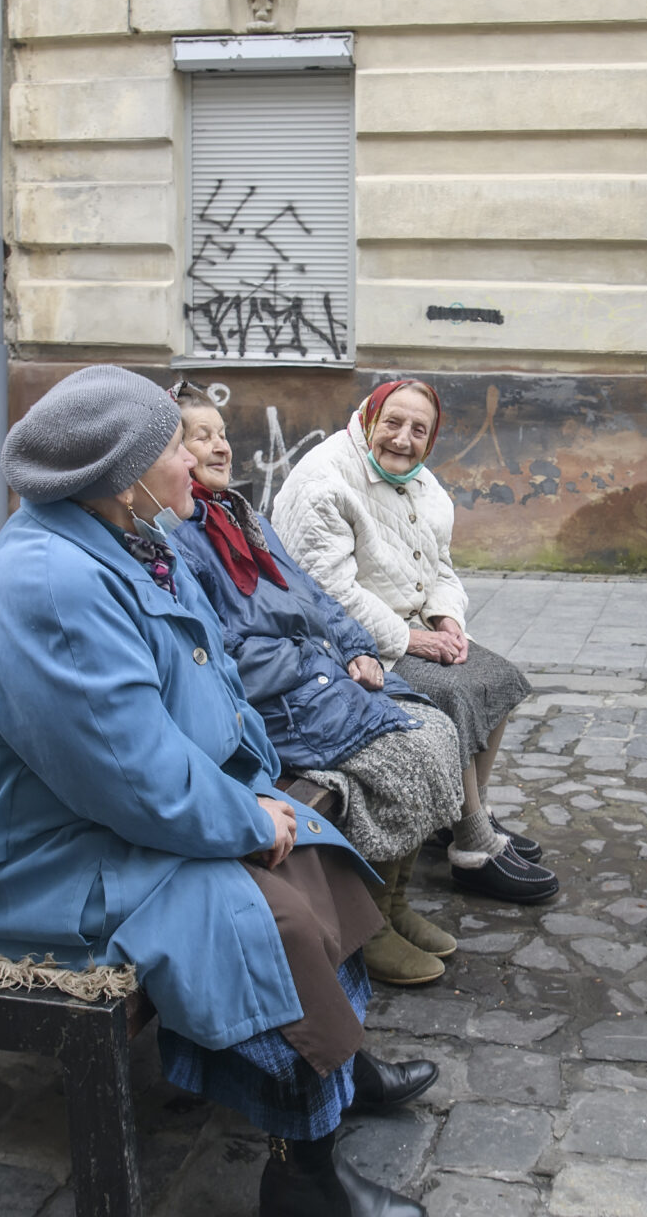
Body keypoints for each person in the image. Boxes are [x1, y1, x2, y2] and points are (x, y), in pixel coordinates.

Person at [0, 365, 433, 1217]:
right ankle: (304, 1175)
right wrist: (238, 814)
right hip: (37, 863)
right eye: (173, 450)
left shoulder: (127, 542)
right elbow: (126, 771)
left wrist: (257, 796)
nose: (194, 464)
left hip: (100, 822)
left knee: (310, 854)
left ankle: (338, 1071)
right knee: (267, 919)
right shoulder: (49, 585)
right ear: (123, 479)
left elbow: (203, 700)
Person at [165, 384, 466, 988]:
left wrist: (354, 644)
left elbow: (310, 593)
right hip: (275, 704)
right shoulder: (177, 538)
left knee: (436, 726)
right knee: (405, 755)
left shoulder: (236, 515)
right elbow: (223, 655)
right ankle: (372, 928)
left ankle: (396, 905)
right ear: (167, 451)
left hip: (315, 677)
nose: (222, 447)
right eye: (202, 437)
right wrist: (318, 662)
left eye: (223, 434)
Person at [272, 380, 559, 905]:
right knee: (451, 693)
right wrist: (411, 638)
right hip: (342, 644)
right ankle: (473, 847)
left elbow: (441, 567)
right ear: (369, 419)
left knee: (493, 676)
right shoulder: (325, 479)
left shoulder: (423, 483)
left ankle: (467, 815)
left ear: (431, 440)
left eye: (419, 430)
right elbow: (327, 591)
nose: (403, 440)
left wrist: (447, 618)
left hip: (409, 624)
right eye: (393, 424)